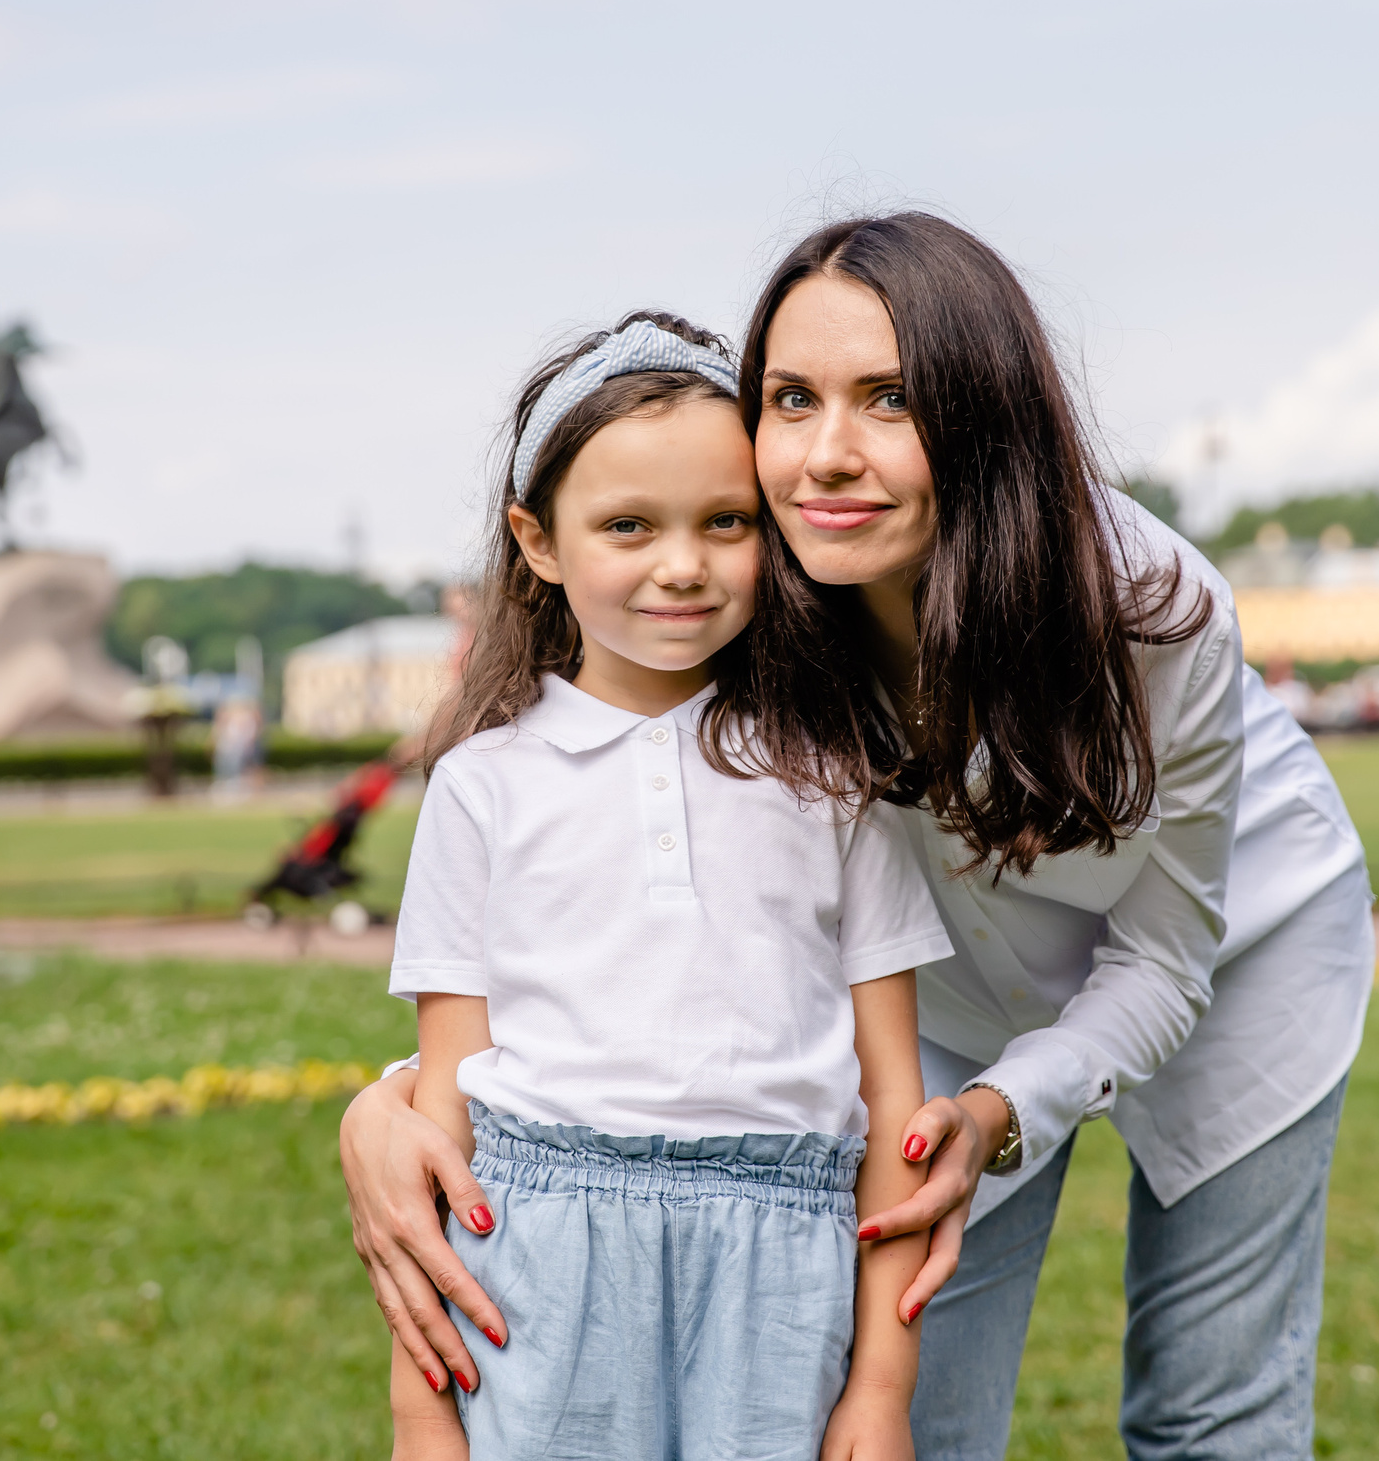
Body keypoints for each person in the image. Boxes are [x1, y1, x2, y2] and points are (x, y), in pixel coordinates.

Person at [345, 220, 1376, 1460]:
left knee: (1210, 1420)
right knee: (909, 1419)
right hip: (928, 1009)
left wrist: (1009, 1107)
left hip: (1230, 957)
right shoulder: (745, 574)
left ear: (986, 415)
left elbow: (1161, 960)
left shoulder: (1152, 614)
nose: (830, 456)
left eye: (891, 399)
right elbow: (611, 906)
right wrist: (386, 1103)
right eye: (791, 400)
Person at [383, 312, 959, 1461]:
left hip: (782, 1266)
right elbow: (439, 1123)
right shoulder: (481, 788)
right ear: (537, 542)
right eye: (628, 525)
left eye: (726, 523)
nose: (682, 564)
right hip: (539, 1269)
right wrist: (421, 1408)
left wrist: (882, 1389)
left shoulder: (834, 778)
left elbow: (895, 1102)